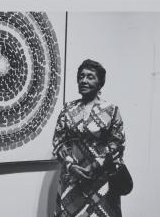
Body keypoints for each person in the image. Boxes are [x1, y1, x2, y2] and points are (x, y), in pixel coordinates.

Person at [52, 59, 126, 217]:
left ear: (100, 83)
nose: (84, 80)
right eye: (81, 76)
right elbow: (58, 142)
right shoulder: (68, 109)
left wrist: (94, 165)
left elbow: (117, 145)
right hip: (71, 179)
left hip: (101, 180)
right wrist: (70, 165)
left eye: (90, 77)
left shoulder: (111, 110)